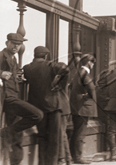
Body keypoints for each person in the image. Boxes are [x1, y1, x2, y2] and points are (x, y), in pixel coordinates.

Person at [0, 33, 43, 165]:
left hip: (12, 96)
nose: (16, 46)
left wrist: (16, 78)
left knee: (17, 133)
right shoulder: (1, 56)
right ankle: (5, 132)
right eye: (13, 43)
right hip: (6, 98)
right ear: (7, 43)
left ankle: (15, 161)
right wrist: (1, 74)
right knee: (37, 114)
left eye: (18, 44)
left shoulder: (13, 59)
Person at [23, 46, 70, 165]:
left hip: (37, 107)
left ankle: (42, 162)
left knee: (42, 136)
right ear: (45, 56)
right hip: (53, 106)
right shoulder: (51, 66)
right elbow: (66, 69)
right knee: (54, 138)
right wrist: (60, 85)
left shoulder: (27, 68)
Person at [69, 53, 97, 164]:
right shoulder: (85, 74)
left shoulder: (77, 72)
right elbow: (92, 90)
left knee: (76, 131)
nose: (93, 65)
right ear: (89, 63)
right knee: (80, 133)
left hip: (77, 106)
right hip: (83, 107)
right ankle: (78, 157)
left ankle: (74, 155)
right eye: (93, 63)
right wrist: (87, 96)